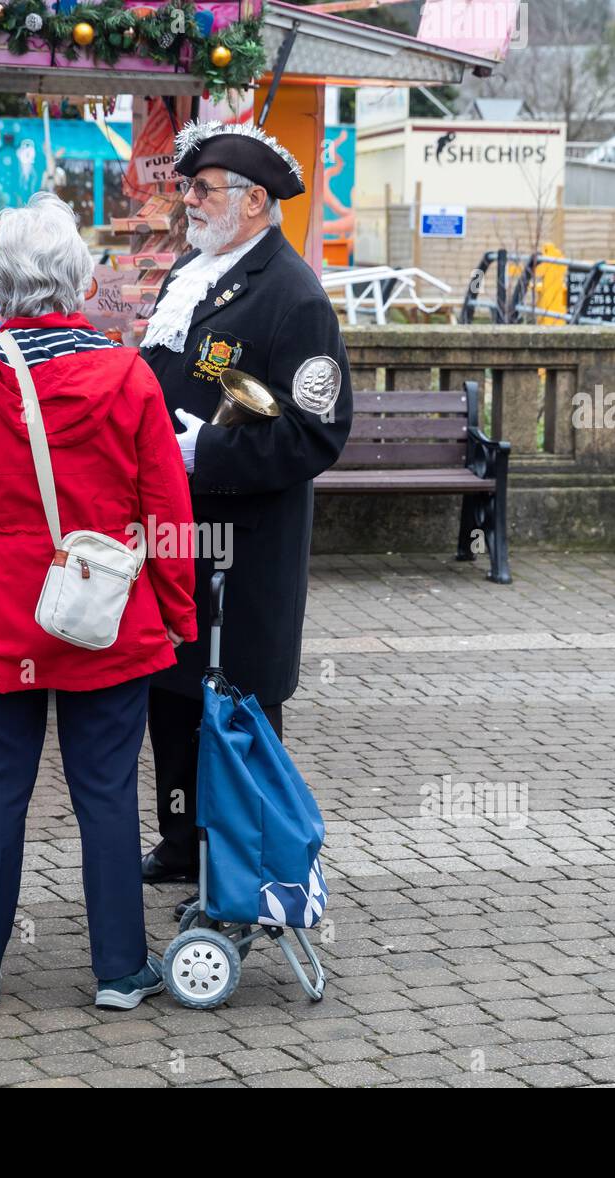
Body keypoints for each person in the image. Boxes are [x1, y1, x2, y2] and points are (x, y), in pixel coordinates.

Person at [0, 192, 198, 1010]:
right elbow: (167, 508)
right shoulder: (124, 373)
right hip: (103, 612)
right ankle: (119, 971)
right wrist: (177, 611)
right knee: (107, 796)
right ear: (77, 280)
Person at [138, 120, 354, 887]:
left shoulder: (294, 297)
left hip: (244, 544)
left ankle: (240, 860)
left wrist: (209, 452)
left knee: (236, 706)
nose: (188, 200)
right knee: (170, 690)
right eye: (188, 187)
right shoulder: (189, 273)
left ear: (255, 201)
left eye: (204, 189)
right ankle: (179, 842)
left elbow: (317, 434)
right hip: (172, 534)